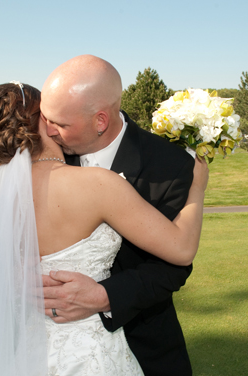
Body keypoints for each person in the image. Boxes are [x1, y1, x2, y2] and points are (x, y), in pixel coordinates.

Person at [0, 77, 206, 375]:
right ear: (39, 121)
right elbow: (181, 250)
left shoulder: (4, 195)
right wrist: (198, 188)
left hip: (32, 350)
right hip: (93, 352)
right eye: (50, 116)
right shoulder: (98, 184)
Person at [40, 55, 199, 376]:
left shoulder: (169, 163)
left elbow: (173, 266)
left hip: (144, 343)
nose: (48, 131)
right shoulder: (43, 158)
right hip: (51, 346)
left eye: (61, 124)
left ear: (100, 120)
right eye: (45, 117)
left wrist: (104, 295)